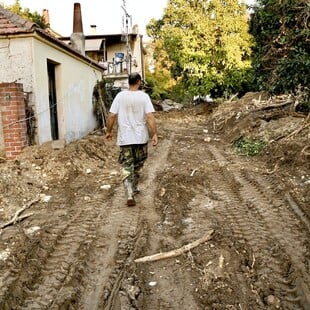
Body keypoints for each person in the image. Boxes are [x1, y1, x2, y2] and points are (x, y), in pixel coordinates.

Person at [105, 72, 158, 206]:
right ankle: (133, 187)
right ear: (139, 82)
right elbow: (150, 117)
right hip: (141, 138)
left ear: (128, 82)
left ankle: (129, 193)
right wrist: (154, 134)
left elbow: (111, 116)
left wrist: (109, 131)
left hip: (125, 138)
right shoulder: (144, 97)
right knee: (138, 164)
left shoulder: (120, 96)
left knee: (127, 165)